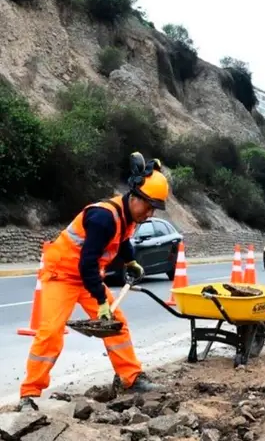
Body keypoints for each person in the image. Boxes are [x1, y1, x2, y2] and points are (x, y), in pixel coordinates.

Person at [19, 152, 168, 412]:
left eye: (154, 207)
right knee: (51, 333)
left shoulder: (128, 217)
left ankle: (131, 377)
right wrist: (101, 300)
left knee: (116, 325)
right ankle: (29, 394)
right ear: (135, 197)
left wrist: (130, 261)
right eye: (148, 205)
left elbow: (121, 242)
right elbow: (86, 264)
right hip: (62, 275)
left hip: (86, 276)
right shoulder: (103, 217)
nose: (150, 212)